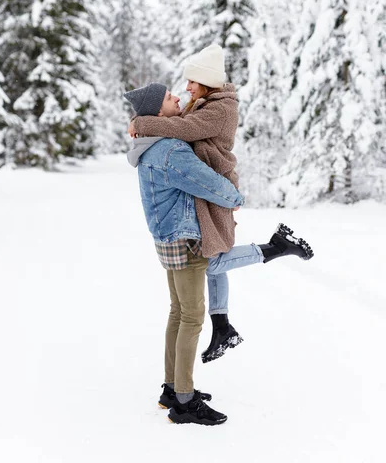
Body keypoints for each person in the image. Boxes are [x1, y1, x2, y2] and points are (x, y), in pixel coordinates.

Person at [125, 82, 313, 426]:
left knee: (179, 312)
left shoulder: (148, 146)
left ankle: (171, 388)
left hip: (166, 236)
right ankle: (183, 400)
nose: (177, 97)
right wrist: (235, 198)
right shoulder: (170, 151)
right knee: (192, 317)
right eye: (169, 97)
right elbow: (208, 183)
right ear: (155, 110)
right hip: (184, 239)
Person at [127, 44, 244, 362]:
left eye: (192, 81)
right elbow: (181, 129)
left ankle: (274, 249)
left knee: (216, 256)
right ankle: (222, 327)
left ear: (205, 81)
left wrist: (142, 123)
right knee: (213, 253)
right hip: (207, 190)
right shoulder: (204, 102)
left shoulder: (220, 109)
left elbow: (184, 129)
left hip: (216, 188)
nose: (186, 88)